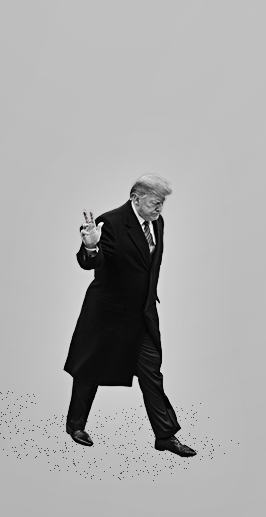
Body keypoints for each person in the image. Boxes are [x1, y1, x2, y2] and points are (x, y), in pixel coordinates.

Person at [63, 174, 195, 455]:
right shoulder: (110, 222)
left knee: (152, 375)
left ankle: (165, 436)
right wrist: (90, 246)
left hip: (141, 315)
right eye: (154, 202)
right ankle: (75, 425)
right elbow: (93, 262)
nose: (159, 208)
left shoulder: (157, 222)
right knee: (88, 371)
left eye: (162, 203)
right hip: (108, 316)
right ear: (136, 198)